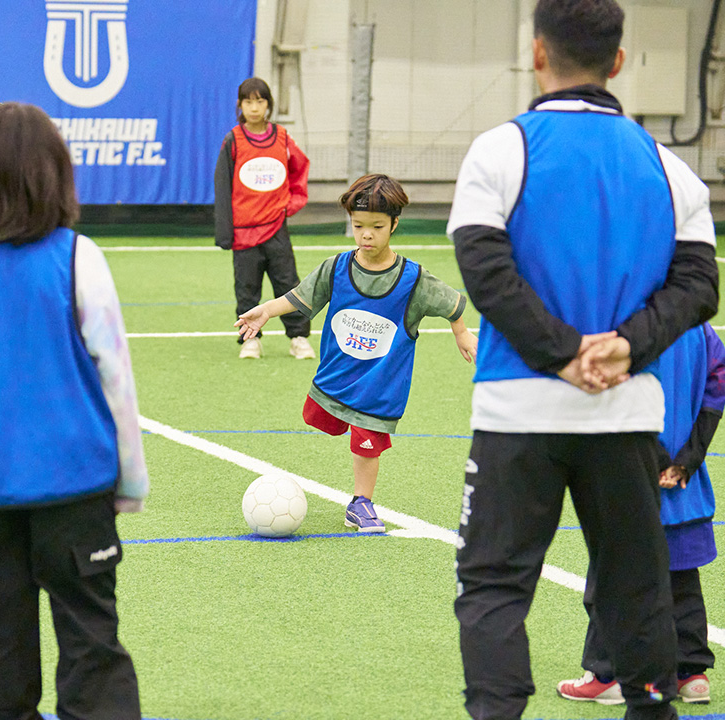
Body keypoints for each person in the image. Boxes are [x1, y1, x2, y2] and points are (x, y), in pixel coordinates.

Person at [448, 0, 719, 718]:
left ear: (537, 53)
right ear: (619, 62)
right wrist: (625, 345)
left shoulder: (500, 149)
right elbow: (700, 286)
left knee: (495, 587)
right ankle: (653, 708)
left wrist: (561, 354)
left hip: (517, 412)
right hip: (628, 415)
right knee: (639, 586)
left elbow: (484, 269)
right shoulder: (670, 168)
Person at [0, 102, 146, 720]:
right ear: (55, 177)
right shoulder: (78, 257)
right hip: (77, 489)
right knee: (92, 646)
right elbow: (115, 377)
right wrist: (130, 480)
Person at [236, 173, 477, 531]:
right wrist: (267, 310)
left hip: (379, 382)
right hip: (338, 374)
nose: (366, 234)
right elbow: (301, 296)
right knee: (319, 417)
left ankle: (361, 502)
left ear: (394, 224)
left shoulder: (413, 279)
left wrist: (461, 332)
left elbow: (450, 303)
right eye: (358, 225)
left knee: (368, 439)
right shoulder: (336, 268)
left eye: (377, 226)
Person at [557, 322, 723, 706]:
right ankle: (691, 673)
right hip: (686, 483)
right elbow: (718, 382)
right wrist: (686, 460)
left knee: (613, 574)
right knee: (682, 579)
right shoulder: (700, 330)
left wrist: (657, 458)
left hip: (632, 469)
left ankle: (606, 672)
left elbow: (620, 386)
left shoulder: (633, 324)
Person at [214, 77, 313, 360]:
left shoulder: (281, 138)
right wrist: (225, 232)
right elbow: (222, 187)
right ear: (240, 105)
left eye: (260, 101)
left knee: (288, 284)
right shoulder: (233, 141)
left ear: (268, 104)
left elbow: (300, 169)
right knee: (246, 289)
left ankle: (298, 338)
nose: (254, 107)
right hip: (244, 232)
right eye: (248, 101)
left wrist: (290, 204)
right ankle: (251, 339)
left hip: (276, 228)